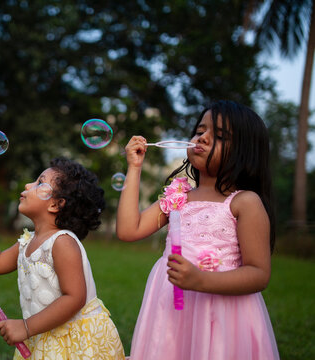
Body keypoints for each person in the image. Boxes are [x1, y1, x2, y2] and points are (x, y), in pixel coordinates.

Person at [116, 100, 280, 360]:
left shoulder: (245, 202)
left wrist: (200, 280)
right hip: (172, 307)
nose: (202, 138)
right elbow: (129, 230)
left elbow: (259, 274)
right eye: (200, 130)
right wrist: (134, 168)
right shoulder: (178, 195)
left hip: (223, 312)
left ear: (244, 151)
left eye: (219, 136)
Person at [0, 157, 125, 359]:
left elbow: (74, 298)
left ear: (56, 204)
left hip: (75, 343)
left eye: (39, 182)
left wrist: (26, 327)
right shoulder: (28, 240)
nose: (27, 185)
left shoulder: (63, 242)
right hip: (43, 336)